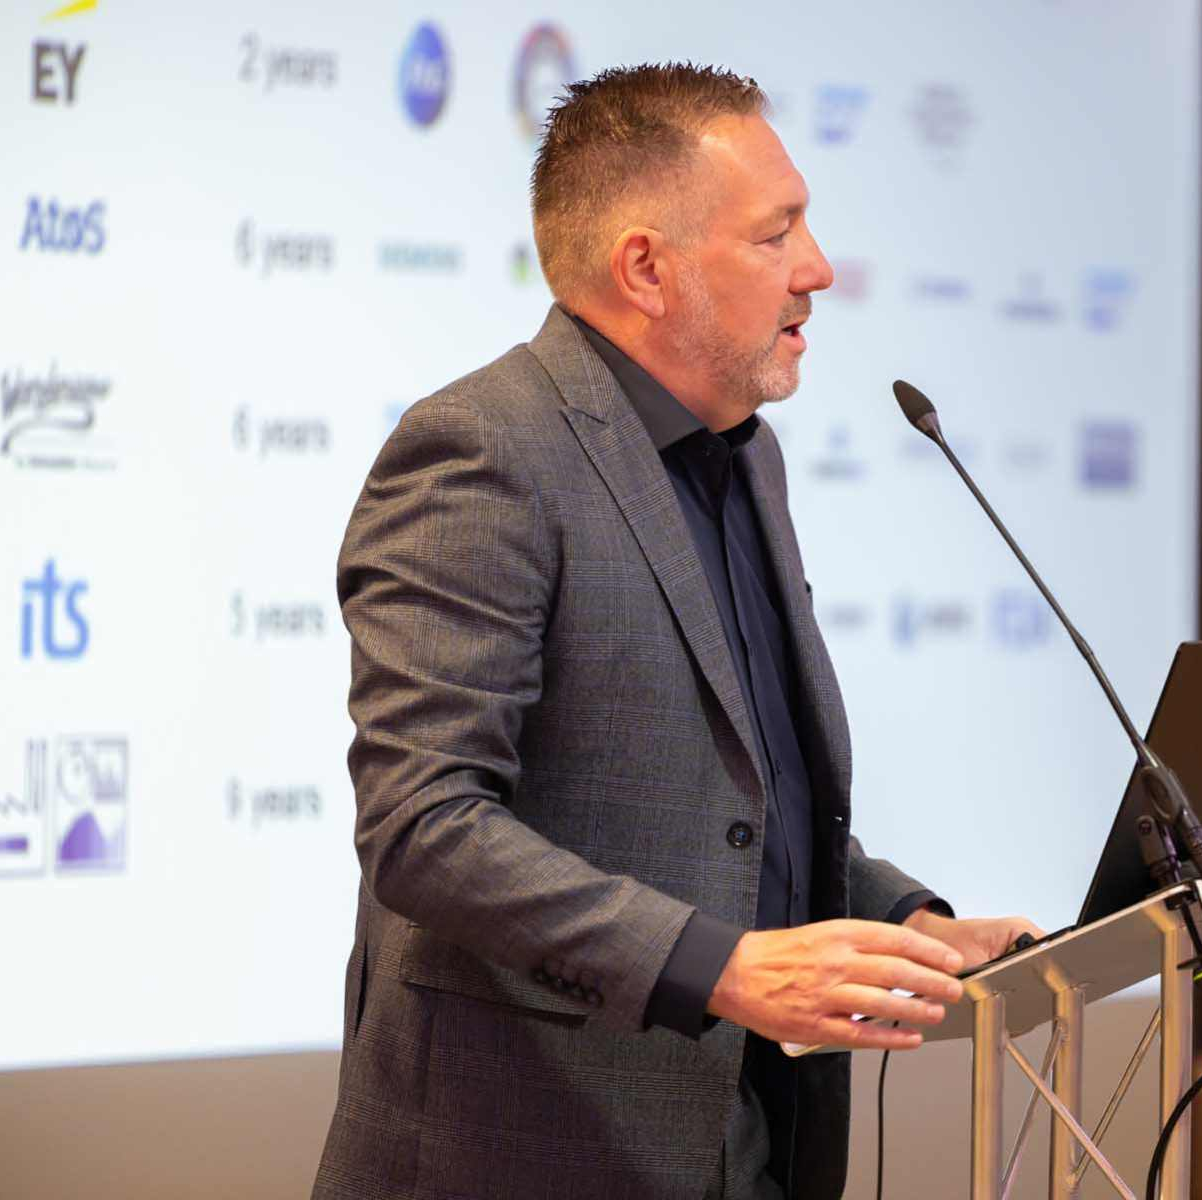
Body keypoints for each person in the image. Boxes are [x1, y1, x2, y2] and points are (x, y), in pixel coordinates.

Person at [312, 62, 1037, 1200]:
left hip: (748, 1143)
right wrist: (723, 969)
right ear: (646, 268)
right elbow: (424, 827)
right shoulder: (483, 452)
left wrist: (900, 921)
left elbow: (730, 815)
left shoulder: (747, 458)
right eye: (774, 235)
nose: (818, 269)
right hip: (530, 1154)